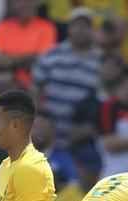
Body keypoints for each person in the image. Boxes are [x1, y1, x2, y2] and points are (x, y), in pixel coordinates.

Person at [31, 7, 102, 150]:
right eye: (76, 25)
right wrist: (38, 119)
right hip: (47, 134)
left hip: (81, 140)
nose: (81, 30)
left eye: (86, 26)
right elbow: (35, 88)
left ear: (92, 30)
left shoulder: (100, 60)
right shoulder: (52, 54)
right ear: (69, 29)